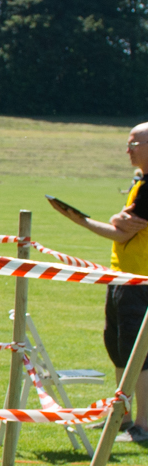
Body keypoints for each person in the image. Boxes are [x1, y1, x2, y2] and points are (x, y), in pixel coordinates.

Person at [52, 120, 148, 443]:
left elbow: (123, 232)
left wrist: (82, 221)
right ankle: (121, 417)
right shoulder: (140, 182)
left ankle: (143, 425)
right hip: (121, 277)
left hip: (141, 282)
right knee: (118, 348)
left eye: (133, 144)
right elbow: (123, 224)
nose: (128, 150)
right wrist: (115, 220)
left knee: (140, 356)